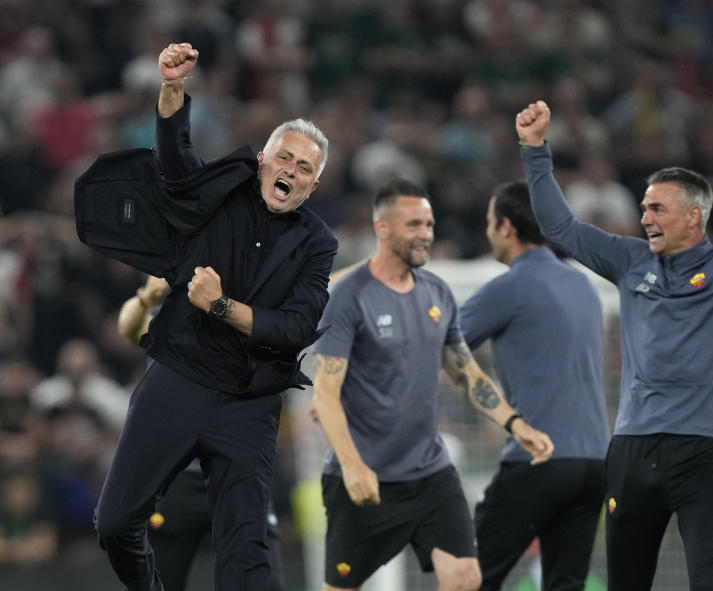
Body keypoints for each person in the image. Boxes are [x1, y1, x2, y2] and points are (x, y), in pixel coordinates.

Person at [515, 99, 713, 590]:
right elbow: (560, 228)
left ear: (693, 215)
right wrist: (534, 150)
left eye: (656, 208)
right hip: (633, 451)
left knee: (711, 582)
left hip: (706, 454)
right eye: (643, 208)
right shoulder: (628, 260)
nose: (644, 218)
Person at [80, 42, 338, 591]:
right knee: (115, 521)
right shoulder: (221, 193)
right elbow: (177, 165)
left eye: (304, 168)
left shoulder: (319, 243)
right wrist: (173, 89)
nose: (290, 169)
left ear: (313, 187)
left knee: (247, 558)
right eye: (284, 158)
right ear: (264, 160)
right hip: (180, 378)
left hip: (249, 402)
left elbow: (295, 329)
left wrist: (220, 306)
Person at [310, 179, 554, 591]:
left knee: (464, 578)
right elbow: (326, 394)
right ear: (382, 228)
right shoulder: (350, 297)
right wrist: (352, 465)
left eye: (429, 223)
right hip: (365, 478)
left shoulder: (437, 292)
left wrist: (516, 425)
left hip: (430, 475)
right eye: (414, 225)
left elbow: (466, 373)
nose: (426, 233)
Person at [459, 181, 610, 591]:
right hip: (594, 462)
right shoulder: (582, 284)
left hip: (538, 458)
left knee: (466, 578)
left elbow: (436, 338)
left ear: (506, 226)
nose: (488, 231)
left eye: (490, 222)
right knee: (565, 585)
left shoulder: (509, 287)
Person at [115, 274, 287, 591]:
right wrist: (147, 296)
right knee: (159, 581)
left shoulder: (249, 310)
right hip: (177, 480)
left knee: (265, 584)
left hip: (238, 473)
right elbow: (128, 329)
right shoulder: (167, 315)